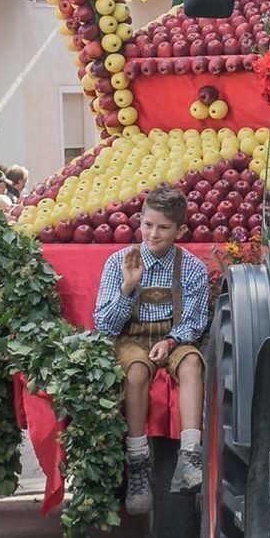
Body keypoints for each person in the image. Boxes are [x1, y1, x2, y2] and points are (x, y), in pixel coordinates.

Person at [93, 187, 211, 513]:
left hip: (172, 338)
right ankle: (137, 463)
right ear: (139, 221)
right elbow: (105, 325)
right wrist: (128, 287)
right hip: (130, 339)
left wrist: (172, 341)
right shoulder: (119, 262)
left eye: (163, 228)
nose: (152, 234)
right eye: (147, 225)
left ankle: (189, 457)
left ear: (180, 231)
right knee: (135, 371)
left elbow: (196, 320)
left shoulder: (191, 268)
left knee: (191, 364)